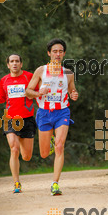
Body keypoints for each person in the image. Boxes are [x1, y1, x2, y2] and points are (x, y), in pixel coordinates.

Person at [26, 38, 78, 196]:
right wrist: (38, 93)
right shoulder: (41, 71)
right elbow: (28, 92)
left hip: (62, 112)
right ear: (49, 53)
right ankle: (50, 141)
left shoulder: (68, 73)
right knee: (43, 153)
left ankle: (55, 183)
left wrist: (74, 94)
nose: (58, 54)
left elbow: (72, 90)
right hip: (44, 113)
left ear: (64, 54)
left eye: (61, 51)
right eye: (54, 51)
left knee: (60, 146)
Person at [0, 54, 37, 193]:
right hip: (10, 119)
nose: (14, 63)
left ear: (21, 64)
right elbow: (2, 98)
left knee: (26, 156)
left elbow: (37, 92)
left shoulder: (29, 76)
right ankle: (17, 183)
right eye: (12, 61)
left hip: (27, 119)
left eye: (17, 61)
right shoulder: (4, 80)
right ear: (8, 65)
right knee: (14, 148)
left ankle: (24, 149)